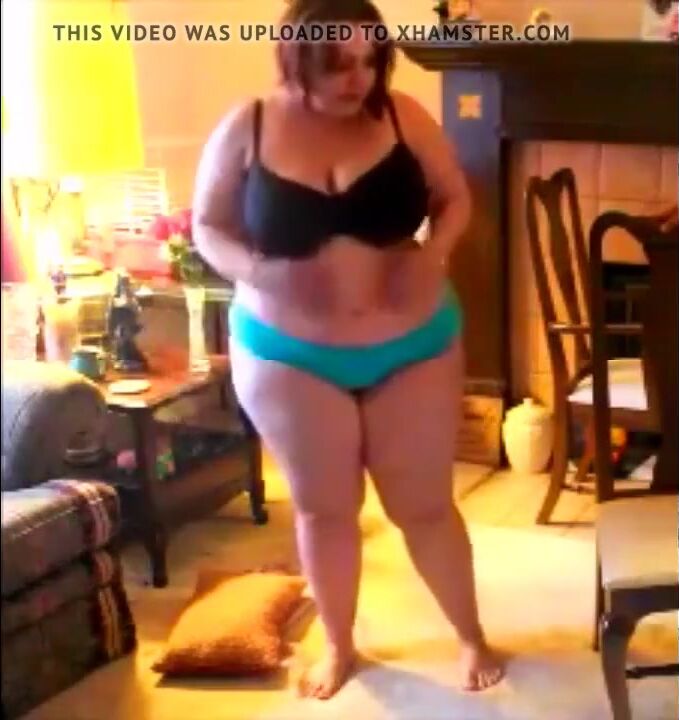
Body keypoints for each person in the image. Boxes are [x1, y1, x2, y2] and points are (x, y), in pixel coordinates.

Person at [192, 0, 504, 700]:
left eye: (369, 60)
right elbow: (207, 227)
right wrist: (261, 271)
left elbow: (454, 198)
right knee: (324, 509)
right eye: (337, 63)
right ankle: (339, 644)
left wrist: (435, 253)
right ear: (295, 55)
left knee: (424, 505)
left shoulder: (402, 117)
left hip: (413, 343)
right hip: (288, 353)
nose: (356, 79)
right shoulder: (247, 126)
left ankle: (470, 635)